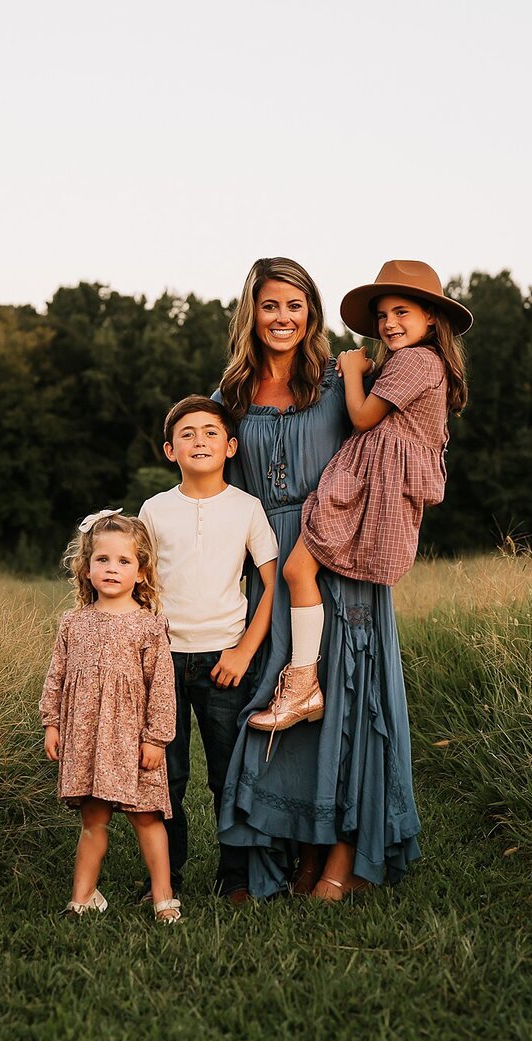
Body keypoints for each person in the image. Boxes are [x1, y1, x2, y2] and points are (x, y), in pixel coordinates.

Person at [213, 256, 422, 901]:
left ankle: (343, 856)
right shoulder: (230, 398)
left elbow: (397, 443)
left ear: (312, 314)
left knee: (348, 702)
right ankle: (293, 854)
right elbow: (218, 491)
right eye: (270, 305)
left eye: (295, 306)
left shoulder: (341, 382)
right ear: (251, 313)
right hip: (270, 568)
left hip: (340, 553)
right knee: (278, 705)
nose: (282, 318)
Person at [249, 259, 470, 732]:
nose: (389, 324)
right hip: (370, 484)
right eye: (383, 315)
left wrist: (351, 370)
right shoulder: (417, 363)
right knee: (303, 572)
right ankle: (308, 682)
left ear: (432, 317)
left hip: (365, 486)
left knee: (296, 569)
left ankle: (303, 683)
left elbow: (363, 417)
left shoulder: (416, 360)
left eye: (402, 312)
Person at [138, 396, 279, 904]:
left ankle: (235, 874)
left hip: (226, 658)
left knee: (228, 772)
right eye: (188, 434)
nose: (200, 441)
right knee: (166, 774)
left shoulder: (246, 507)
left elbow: (272, 584)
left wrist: (244, 651)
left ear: (230, 447)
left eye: (211, 432)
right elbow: (139, 585)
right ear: (170, 450)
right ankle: (166, 876)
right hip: (163, 659)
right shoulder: (154, 510)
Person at [39, 510, 181, 923]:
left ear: (141, 572)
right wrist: (52, 723)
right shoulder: (73, 623)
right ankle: (82, 898)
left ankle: (163, 899)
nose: (112, 569)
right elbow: (56, 675)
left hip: (131, 740)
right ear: (86, 568)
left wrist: (156, 738)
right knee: (93, 820)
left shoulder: (148, 627)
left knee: (146, 817)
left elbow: (162, 687)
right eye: (102, 559)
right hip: (86, 738)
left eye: (123, 561)